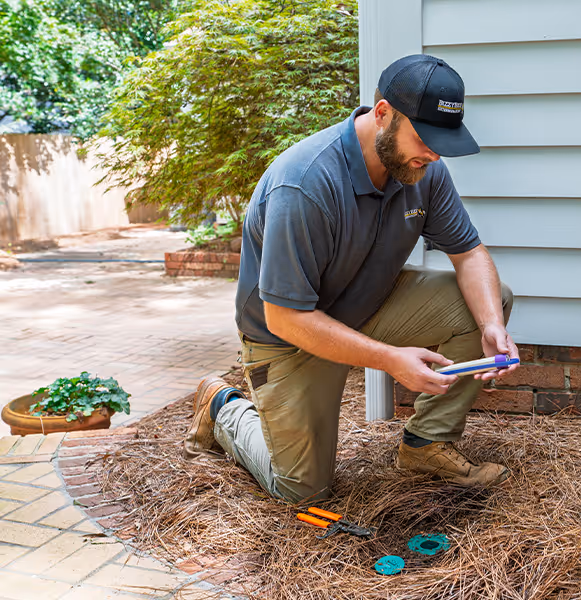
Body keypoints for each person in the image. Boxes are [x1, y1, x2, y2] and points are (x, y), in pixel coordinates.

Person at [183, 54, 519, 503]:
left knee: (491, 300)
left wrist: (491, 325)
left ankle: (426, 444)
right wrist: (389, 359)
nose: (435, 154)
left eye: (442, 142)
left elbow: (468, 253)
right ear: (382, 114)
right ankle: (223, 407)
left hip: (368, 303)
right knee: (302, 491)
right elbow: (285, 318)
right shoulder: (303, 184)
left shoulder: (423, 169)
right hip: (289, 334)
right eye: (425, 138)